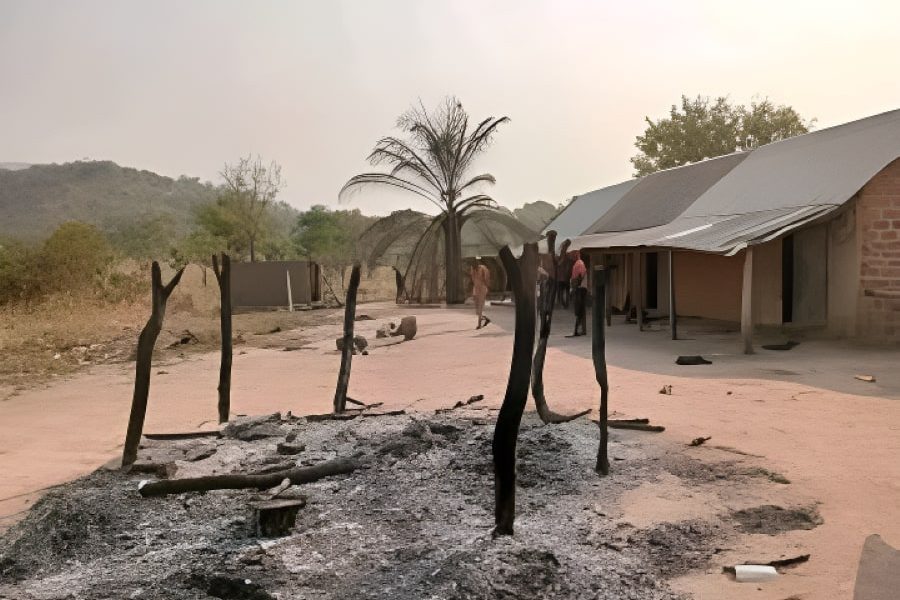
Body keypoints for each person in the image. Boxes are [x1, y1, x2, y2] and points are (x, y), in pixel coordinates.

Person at [568, 251, 588, 337]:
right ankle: (581, 329)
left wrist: (575, 287)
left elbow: (580, 276)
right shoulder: (579, 263)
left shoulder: (579, 263)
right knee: (581, 309)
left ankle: (578, 329)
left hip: (579, 288)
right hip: (580, 288)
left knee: (579, 309)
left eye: (572, 254)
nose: (570, 256)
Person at [470, 258, 491, 329]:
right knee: (477, 310)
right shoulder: (472, 269)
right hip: (476, 288)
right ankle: (485, 319)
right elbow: (473, 279)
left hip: (482, 288)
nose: (474, 264)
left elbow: (486, 279)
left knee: (480, 307)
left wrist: (486, 287)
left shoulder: (482, 268)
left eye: (475, 262)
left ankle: (479, 324)